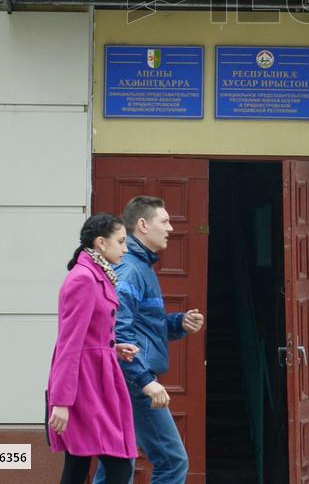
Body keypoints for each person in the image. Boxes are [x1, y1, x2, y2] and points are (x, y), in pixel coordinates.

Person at [93, 196, 204, 484]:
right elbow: (117, 331)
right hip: (133, 378)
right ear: (142, 225)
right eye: (164, 221)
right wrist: (144, 380)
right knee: (172, 461)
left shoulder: (140, 267)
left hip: (127, 376)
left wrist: (179, 323)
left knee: (117, 465)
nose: (170, 228)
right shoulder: (131, 269)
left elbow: (143, 326)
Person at [47, 213, 139, 484]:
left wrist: (112, 346)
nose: (125, 248)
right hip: (85, 385)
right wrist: (61, 402)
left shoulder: (96, 273)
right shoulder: (84, 279)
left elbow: (89, 333)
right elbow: (69, 342)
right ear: (101, 242)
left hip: (96, 377)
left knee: (78, 463)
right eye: (121, 241)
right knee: (118, 464)